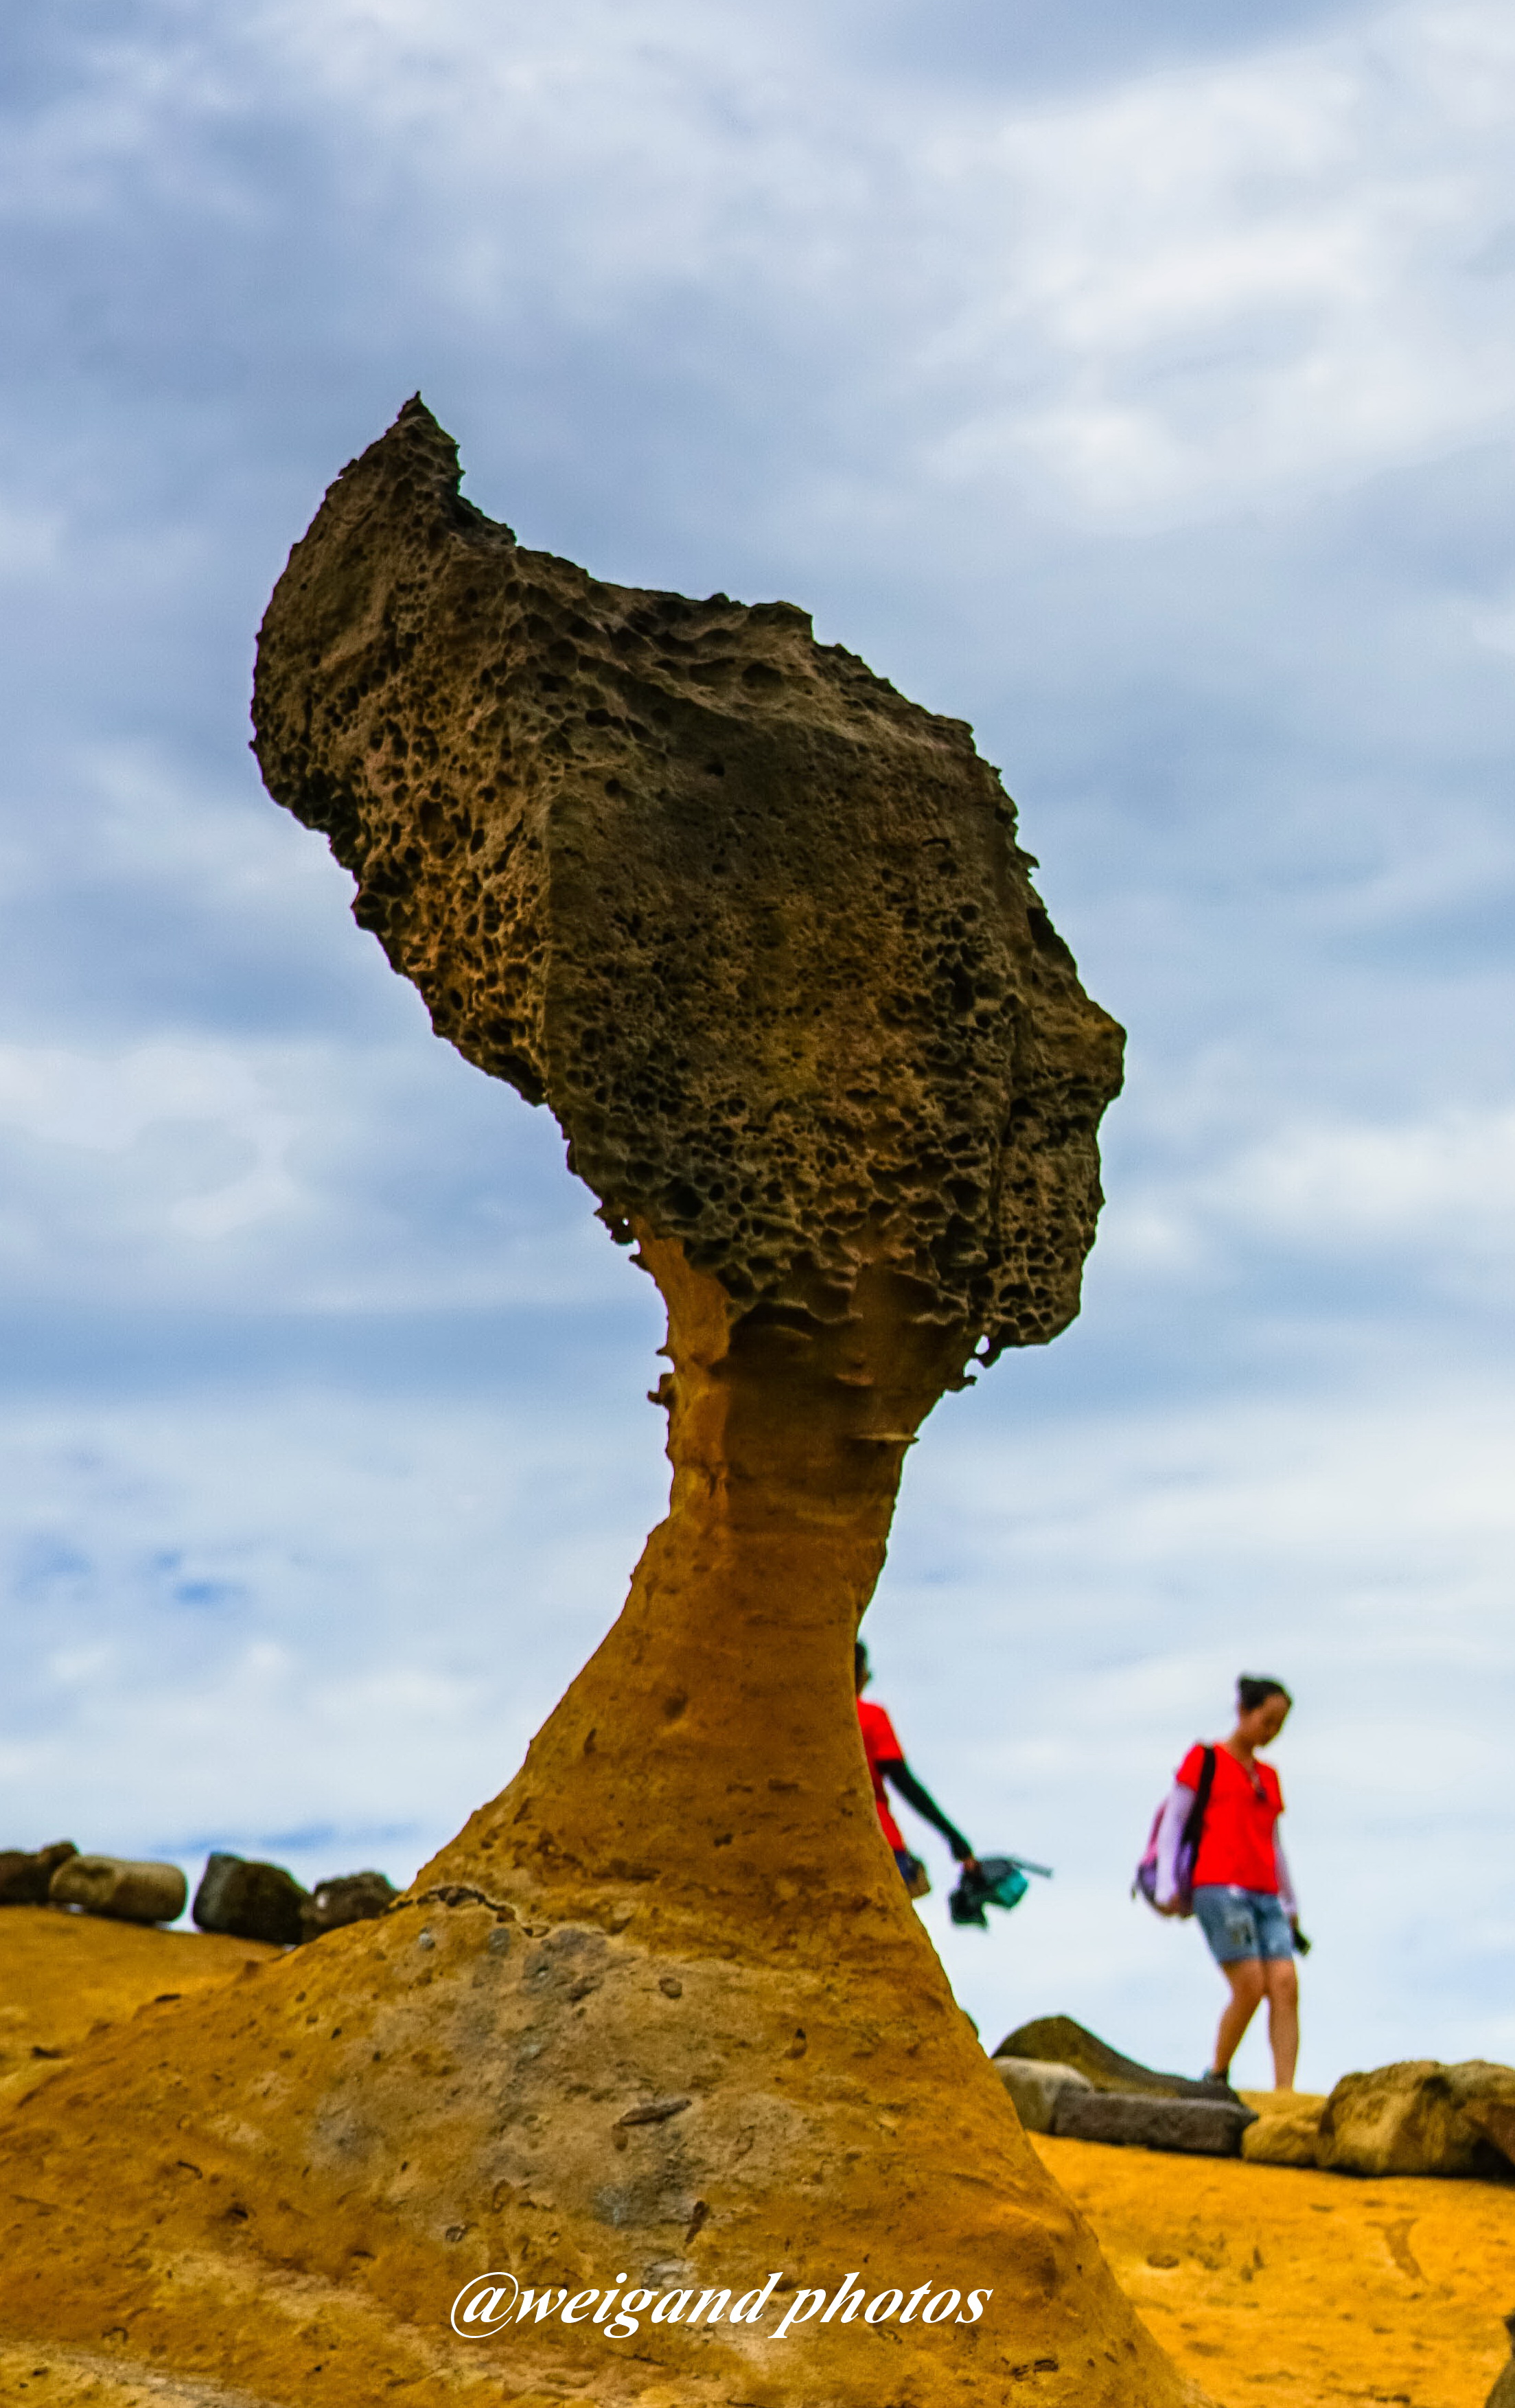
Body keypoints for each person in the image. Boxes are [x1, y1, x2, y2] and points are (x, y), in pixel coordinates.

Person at [1153, 1674, 1303, 2092]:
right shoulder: (1206, 1759)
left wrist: (1291, 1902)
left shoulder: (1268, 1777)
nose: (1271, 1732)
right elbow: (1174, 1822)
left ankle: (1285, 2092)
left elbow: (1274, 1843)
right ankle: (1218, 2072)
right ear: (1244, 1712)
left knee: (1286, 1984)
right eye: (1267, 1720)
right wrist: (1166, 1884)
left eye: (1279, 1725)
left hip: (1266, 1893)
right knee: (1250, 1983)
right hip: (1218, 1887)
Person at [855, 1640, 977, 1887]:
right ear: (858, 1674)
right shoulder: (870, 1716)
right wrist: (954, 1838)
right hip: (878, 1841)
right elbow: (905, 1784)